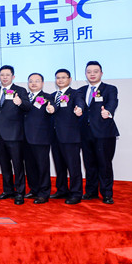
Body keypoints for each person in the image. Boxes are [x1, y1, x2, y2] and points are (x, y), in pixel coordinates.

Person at [77, 61, 119, 204]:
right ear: (85, 74)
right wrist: (78, 109)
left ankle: (107, 194)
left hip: (104, 132)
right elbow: (80, 104)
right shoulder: (81, 91)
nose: (92, 74)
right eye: (89, 72)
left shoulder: (110, 89)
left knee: (104, 164)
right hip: (85, 133)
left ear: (101, 73)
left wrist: (108, 111)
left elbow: (113, 102)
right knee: (89, 164)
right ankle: (91, 192)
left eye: (95, 71)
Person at [0, 65, 31, 205]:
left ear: (13, 77)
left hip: (15, 135)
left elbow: (28, 107)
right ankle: (8, 190)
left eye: (7, 75)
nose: (4, 77)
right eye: (2, 75)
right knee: (4, 165)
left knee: (18, 165)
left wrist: (20, 102)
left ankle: (20, 192)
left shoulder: (20, 90)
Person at [50, 69, 85, 205]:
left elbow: (80, 103)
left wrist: (79, 109)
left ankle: (76, 193)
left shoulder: (76, 93)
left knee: (73, 166)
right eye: (58, 78)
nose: (60, 80)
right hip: (54, 136)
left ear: (69, 79)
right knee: (59, 166)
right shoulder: (52, 95)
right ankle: (62, 190)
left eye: (63, 77)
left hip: (70, 137)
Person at [23, 73, 55, 204]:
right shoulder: (24, 97)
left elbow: (52, 108)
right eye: (31, 81)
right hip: (25, 138)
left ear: (42, 83)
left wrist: (51, 109)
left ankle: (44, 193)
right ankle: (34, 189)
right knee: (30, 166)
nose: (33, 83)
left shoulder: (48, 97)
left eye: (37, 81)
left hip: (41, 138)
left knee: (42, 166)